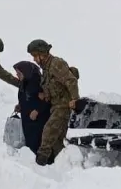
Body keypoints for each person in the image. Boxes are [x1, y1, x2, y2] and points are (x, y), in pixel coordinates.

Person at [26, 38, 80, 166]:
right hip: (55, 106)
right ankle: (61, 165)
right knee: (57, 140)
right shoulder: (46, 69)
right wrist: (45, 95)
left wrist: (75, 99)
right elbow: (53, 86)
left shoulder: (56, 64)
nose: (34, 59)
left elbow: (71, 80)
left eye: (35, 56)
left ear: (42, 54)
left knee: (49, 130)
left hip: (63, 105)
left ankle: (40, 162)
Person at [12, 60, 51, 154]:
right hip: (27, 121)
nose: (17, 75)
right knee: (29, 144)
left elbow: (47, 100)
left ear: (26, 72)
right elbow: (25, 98)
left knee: (37, 143)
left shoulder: (37, 83)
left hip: (38, 122)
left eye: (19, 73)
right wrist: (20, 106)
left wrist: (37, 110)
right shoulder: (24, 83)